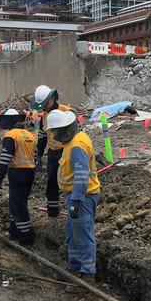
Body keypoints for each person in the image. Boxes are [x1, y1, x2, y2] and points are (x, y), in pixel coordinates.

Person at [45, 109, 100, 283]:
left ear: (64, 129)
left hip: (82, 197)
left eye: (55, 131)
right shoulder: (73, 141)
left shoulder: (77, 145)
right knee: (72, 233)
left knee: (83, 234)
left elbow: (82, 173)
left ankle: (87, 274)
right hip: (76, 196)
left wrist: (76, 199)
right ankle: (75, 268)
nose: (53, 135)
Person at [31, 84, 74, 218]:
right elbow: (43, 136)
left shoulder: (67, 111)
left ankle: (73, 209)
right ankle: (53, 212)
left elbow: (76, 134)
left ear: (51, 99)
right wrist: (39, 154)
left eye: (44, 104)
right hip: (53, 152)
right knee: (52, 182)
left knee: (70, 180)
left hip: (66, 150)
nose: (43, 107)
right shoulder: (44, 115)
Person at [0, 109, 37, 246]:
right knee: (17, 203)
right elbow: (35, 155)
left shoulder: (11, 135)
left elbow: (5, 158)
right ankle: (14, 231)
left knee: (18, 206)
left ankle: (26, 237)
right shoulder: (29, 135)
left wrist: (0, 176)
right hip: (30, 172)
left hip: (17, 172)